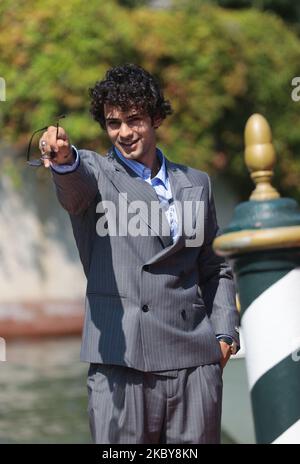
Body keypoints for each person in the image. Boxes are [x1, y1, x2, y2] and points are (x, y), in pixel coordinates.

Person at [39, 63, 240, 444]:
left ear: (156, 118)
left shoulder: (197, 182)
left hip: (195, 364)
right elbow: (73, 185)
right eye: (114, 123)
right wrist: (63, 159)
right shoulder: (95, 173)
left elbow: (216, 269)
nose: (125, 132)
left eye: (135, 119)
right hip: (122, 362)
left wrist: (225, 335)